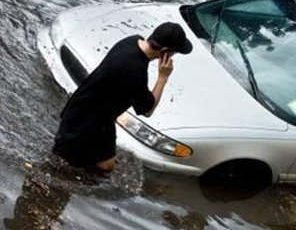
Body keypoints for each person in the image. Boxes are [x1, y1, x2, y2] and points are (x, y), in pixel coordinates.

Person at [52, 22, 192, 173]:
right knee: (61, 167)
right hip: (84, 124)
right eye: (174, 53)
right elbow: (148, 110)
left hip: (95, 116)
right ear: (165, 51)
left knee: (106, 166)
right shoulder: (135, 70)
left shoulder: (131, 41)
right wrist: (163, 77)